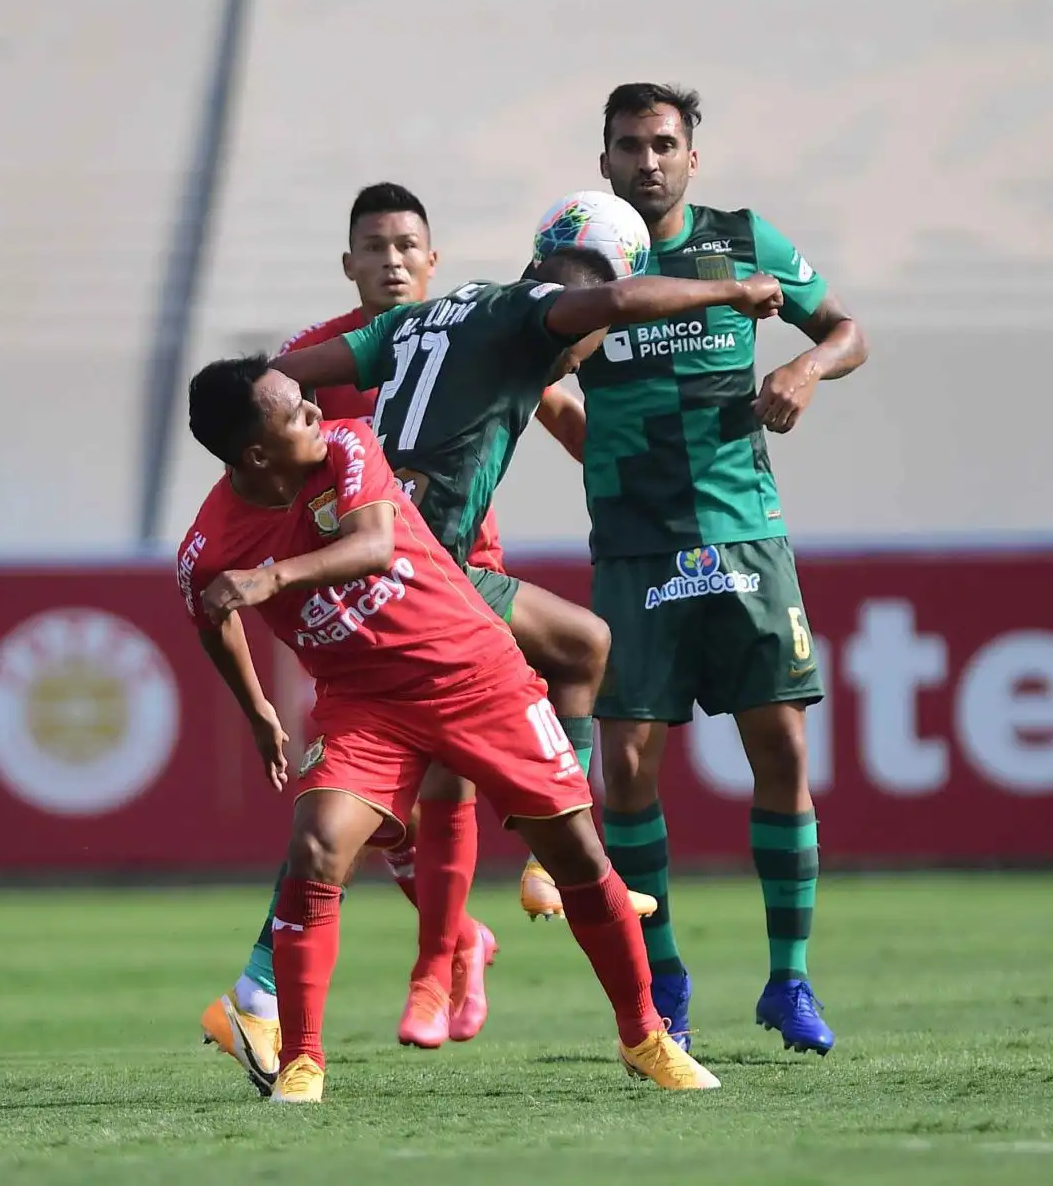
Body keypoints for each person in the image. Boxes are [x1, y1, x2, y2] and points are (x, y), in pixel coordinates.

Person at [178, 354, 724, 1101]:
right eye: (295, 412)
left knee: (577, 853)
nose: (316, 412)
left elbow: (373, 546)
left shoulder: (345, 446)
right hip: (364, 704)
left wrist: (272, 578)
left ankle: (645, 1038)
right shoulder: (207, 545)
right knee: (315, 847)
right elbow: (211, 614)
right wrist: (258, 710)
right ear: (257, 455)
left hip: (475, 673)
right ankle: (302, 1061)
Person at [198, 184, 637, 1088]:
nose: (393, 260)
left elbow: (552, 407)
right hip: (382, 584)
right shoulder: (312, 371)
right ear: (349, 265)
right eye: (375, 246)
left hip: (455, 571)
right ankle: (427, 960)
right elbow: (259, 441)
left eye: (409, 246)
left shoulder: (466, 328)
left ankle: (427, 963)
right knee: (392, 803)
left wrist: (632, 475)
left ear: (433, 261)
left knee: (546, 681)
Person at [550, 82, 869, 1056]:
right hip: (637, 549)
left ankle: (790, 981)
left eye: (663, 144)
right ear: (602, 160)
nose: (647, 162)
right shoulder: (573, 259)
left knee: (781, 748)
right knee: (631, 772)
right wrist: (603, 453)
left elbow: (847, 331)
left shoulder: (745, 240)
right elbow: (526, 380)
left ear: (694, 157)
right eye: (628, 147)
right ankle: (667, 973)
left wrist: (801, 373)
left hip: (743, 536)